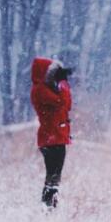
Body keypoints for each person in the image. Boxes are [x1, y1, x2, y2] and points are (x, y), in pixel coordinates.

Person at [30, 57, 72, 208]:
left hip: (54, 137)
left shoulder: (44, 89)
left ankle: (49, 206)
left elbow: (66, 107)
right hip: (52, 138)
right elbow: (62, 102)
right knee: (53, 176)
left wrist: (61, 84)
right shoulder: (40, 90)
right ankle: (48, 207)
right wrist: (63, 84)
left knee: (54, 176)